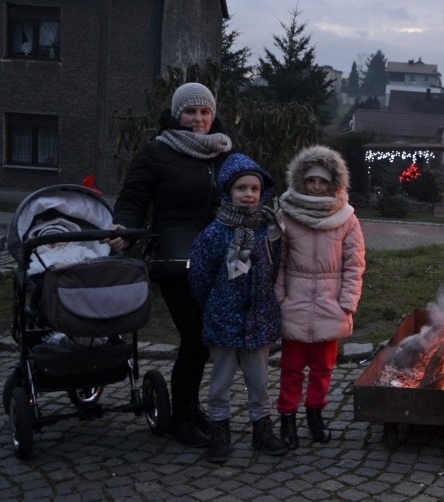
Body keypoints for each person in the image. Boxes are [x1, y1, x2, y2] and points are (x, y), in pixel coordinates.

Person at [106, 82, 233, 447]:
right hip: (175, 259)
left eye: (205, 111)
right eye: (190, 111)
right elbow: (133, 197)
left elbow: (244, 191)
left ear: (213, 115)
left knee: (204, 340)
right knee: (194, 336)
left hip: (216, 260)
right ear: (177, 115)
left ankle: (190, 410)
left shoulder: (222, 151)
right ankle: (181, 419)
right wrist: (124, 228)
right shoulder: (157, 152)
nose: (198, 118)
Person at [187, 153, 286, 463]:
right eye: (241, 188)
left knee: (259, 379)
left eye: (254, 189)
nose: (248, 194)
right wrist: (215, 306)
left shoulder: (268, 230)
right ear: (228, 191)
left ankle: (262, 429)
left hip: (259, 319)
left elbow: (275, 269)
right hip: (223, 318)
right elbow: (200, 276)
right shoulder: (214, 234)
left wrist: (266, 302)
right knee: (220, 381)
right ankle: (220, 430)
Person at [274, 145, 366, 448]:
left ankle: (315, 414)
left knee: (323, 368)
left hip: (330, 305)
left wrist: (347, 303)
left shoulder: (347, 219)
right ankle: (287, 418)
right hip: (295, 304)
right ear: (301, 181)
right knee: (290, 368)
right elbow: (278, 263)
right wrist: (280, 298)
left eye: (322, 181)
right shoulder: (286, 215)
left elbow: (354, 265)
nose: (316, 187)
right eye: (310, 180)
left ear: (333, 183)